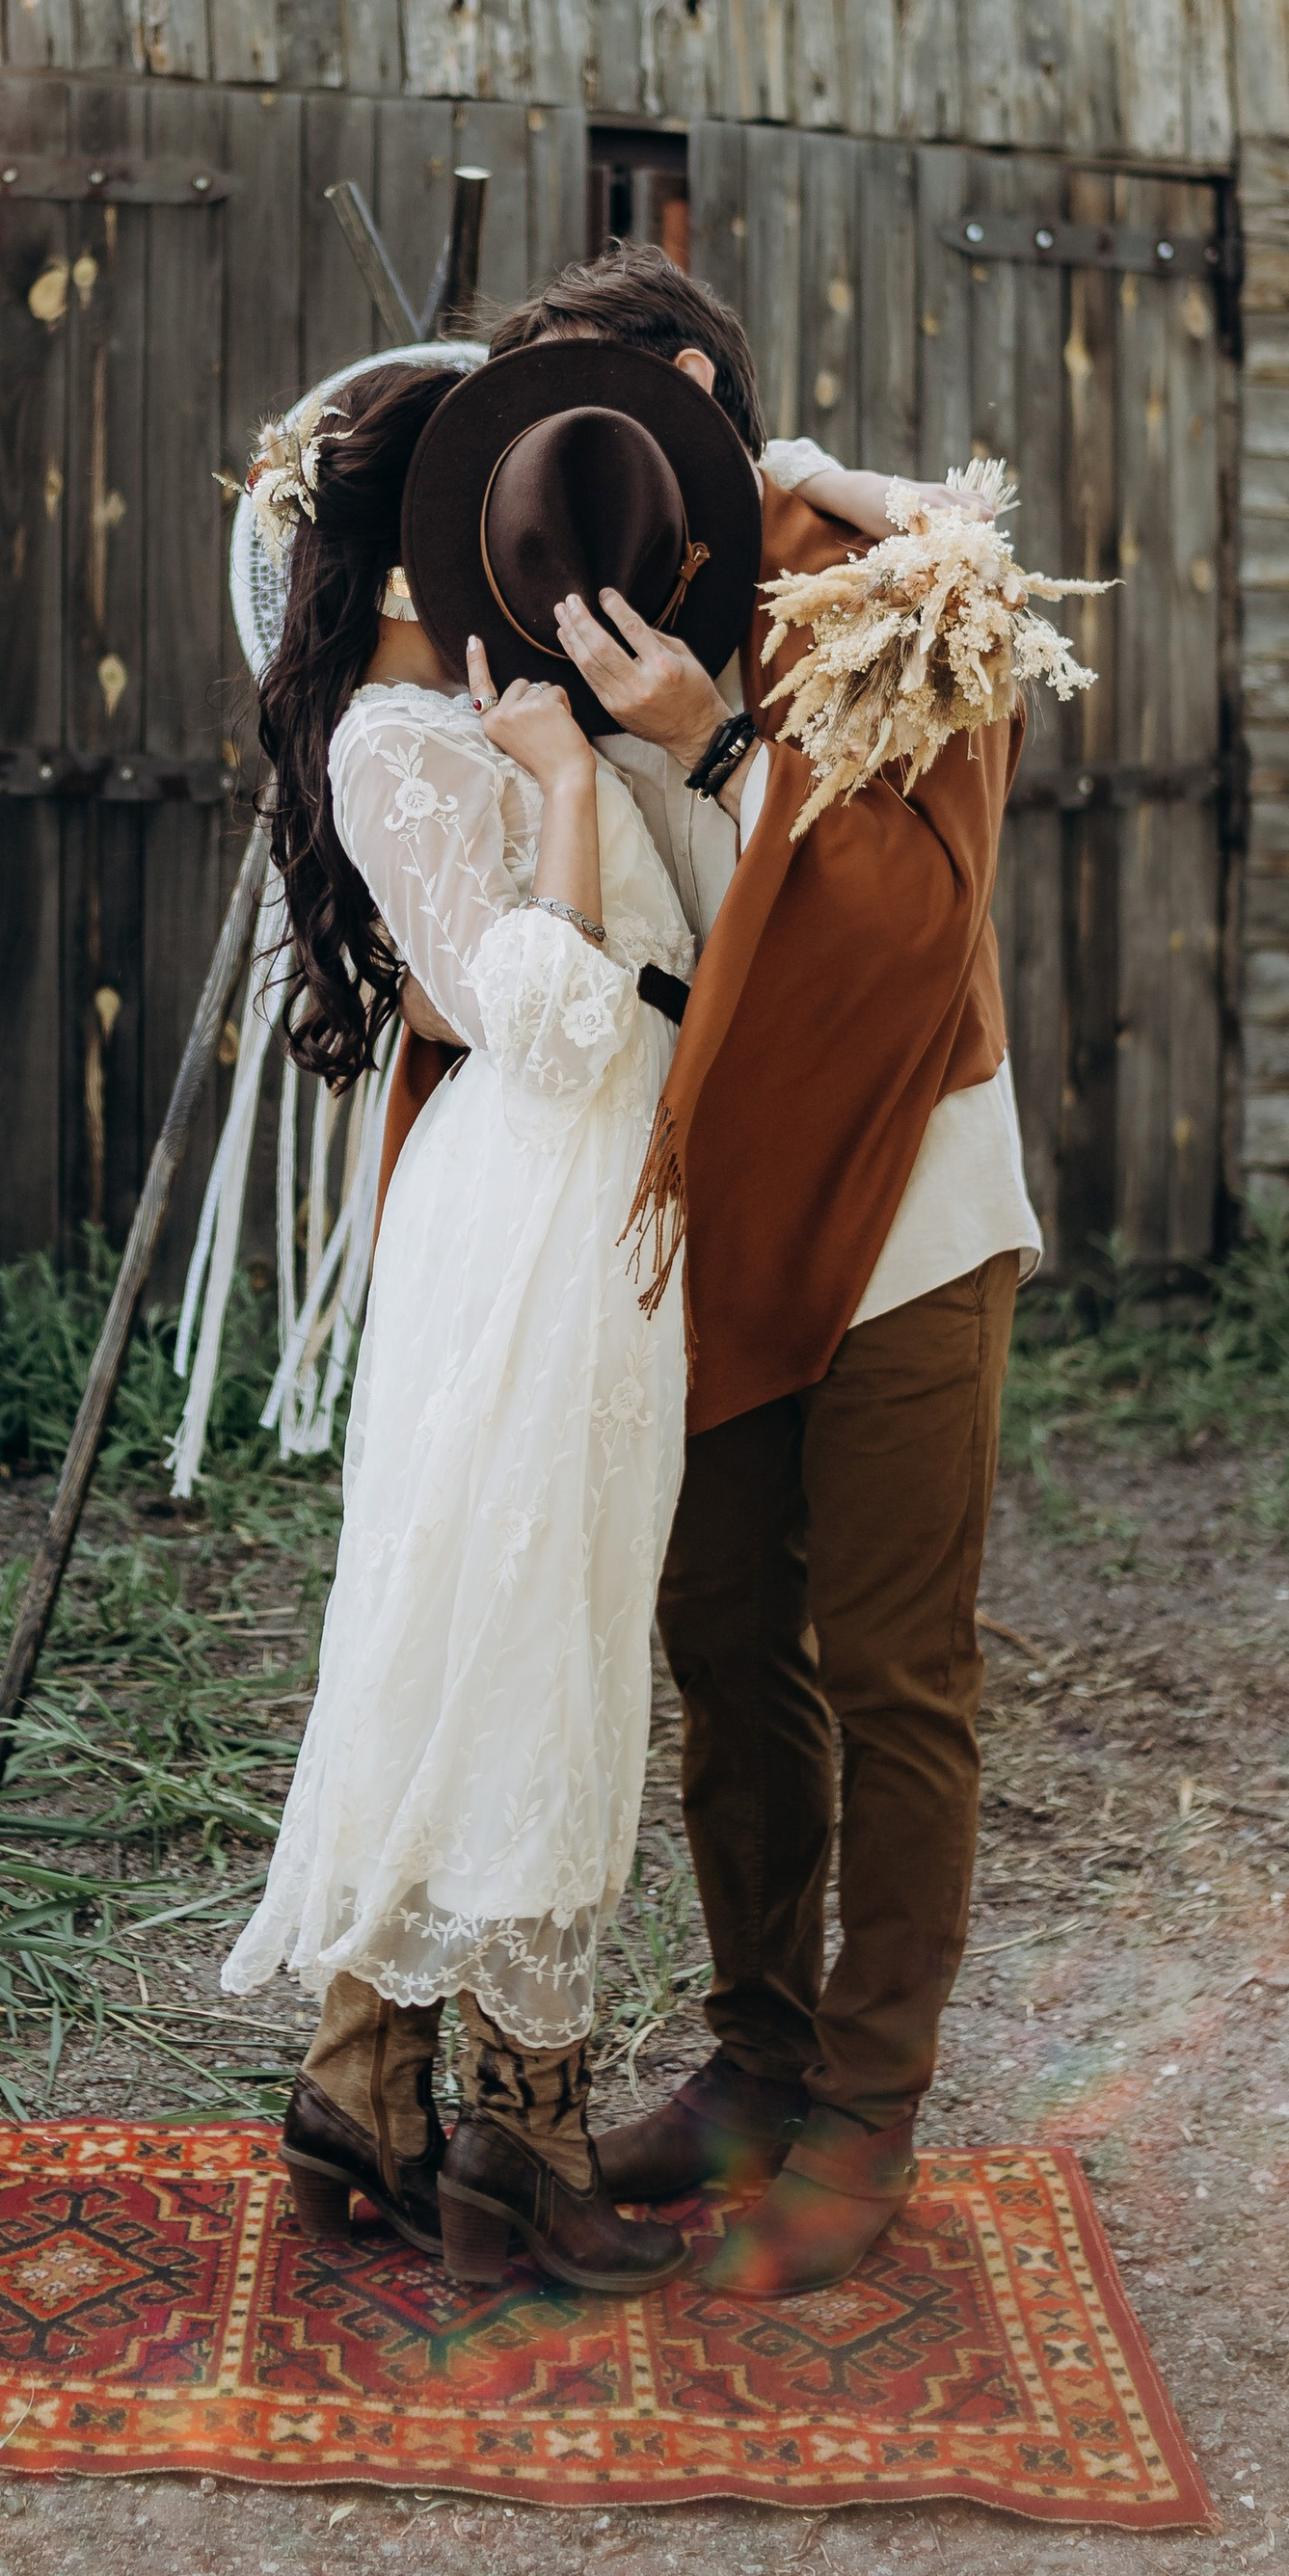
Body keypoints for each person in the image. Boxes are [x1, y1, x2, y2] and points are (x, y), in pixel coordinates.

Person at [479, 243, 1042, 2300]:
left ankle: (866, 2115)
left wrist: (718, 746)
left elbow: (903, 930)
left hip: (903, 1203)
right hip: (705, 1213)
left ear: (702, 400)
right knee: (719, 1648)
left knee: (894, 1669)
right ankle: (751, 2059)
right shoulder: (567, 588)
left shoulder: (898, 593)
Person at [221, 346, 755, 2298]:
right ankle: (519, 2139)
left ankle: (364, 2082)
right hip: (524, 1208)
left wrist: (621, 755)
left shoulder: (514, 714)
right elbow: (538, 1016)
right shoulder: (390, 747)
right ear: (395, 555)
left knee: (519, 1621)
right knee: (522, 1641)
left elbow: (678, 953)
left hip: (599, 1208)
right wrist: (548, 782)